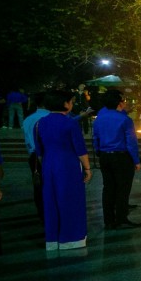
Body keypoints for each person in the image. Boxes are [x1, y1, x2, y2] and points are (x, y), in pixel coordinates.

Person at [35, 89, 91, 251]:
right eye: (71, 101)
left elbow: (39, 151)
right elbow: (80, 149)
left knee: (51, 201)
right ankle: (72, 238)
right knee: (71, 200)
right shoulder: (70, 123)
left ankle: (53, 239)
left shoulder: (40, 123)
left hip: (49, 165)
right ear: (65, 104)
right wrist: (87, 168)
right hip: (68, 166)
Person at [92, 89, 141, 230]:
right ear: (119, 103)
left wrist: (99, 152)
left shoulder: (99, 119)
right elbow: (131, 142)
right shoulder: (124, 119)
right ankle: (121, 218)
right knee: (123, 188)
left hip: (105, 155)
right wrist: (136, 160)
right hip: (121, 156)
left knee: (108, 188)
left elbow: (95, 138)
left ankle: (108, 219)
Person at [21, 92, 49, 223]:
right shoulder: (48, 117)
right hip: (47, 155)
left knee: (38, 187)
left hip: (33, 156)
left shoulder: (28, 119)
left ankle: (42, 214)